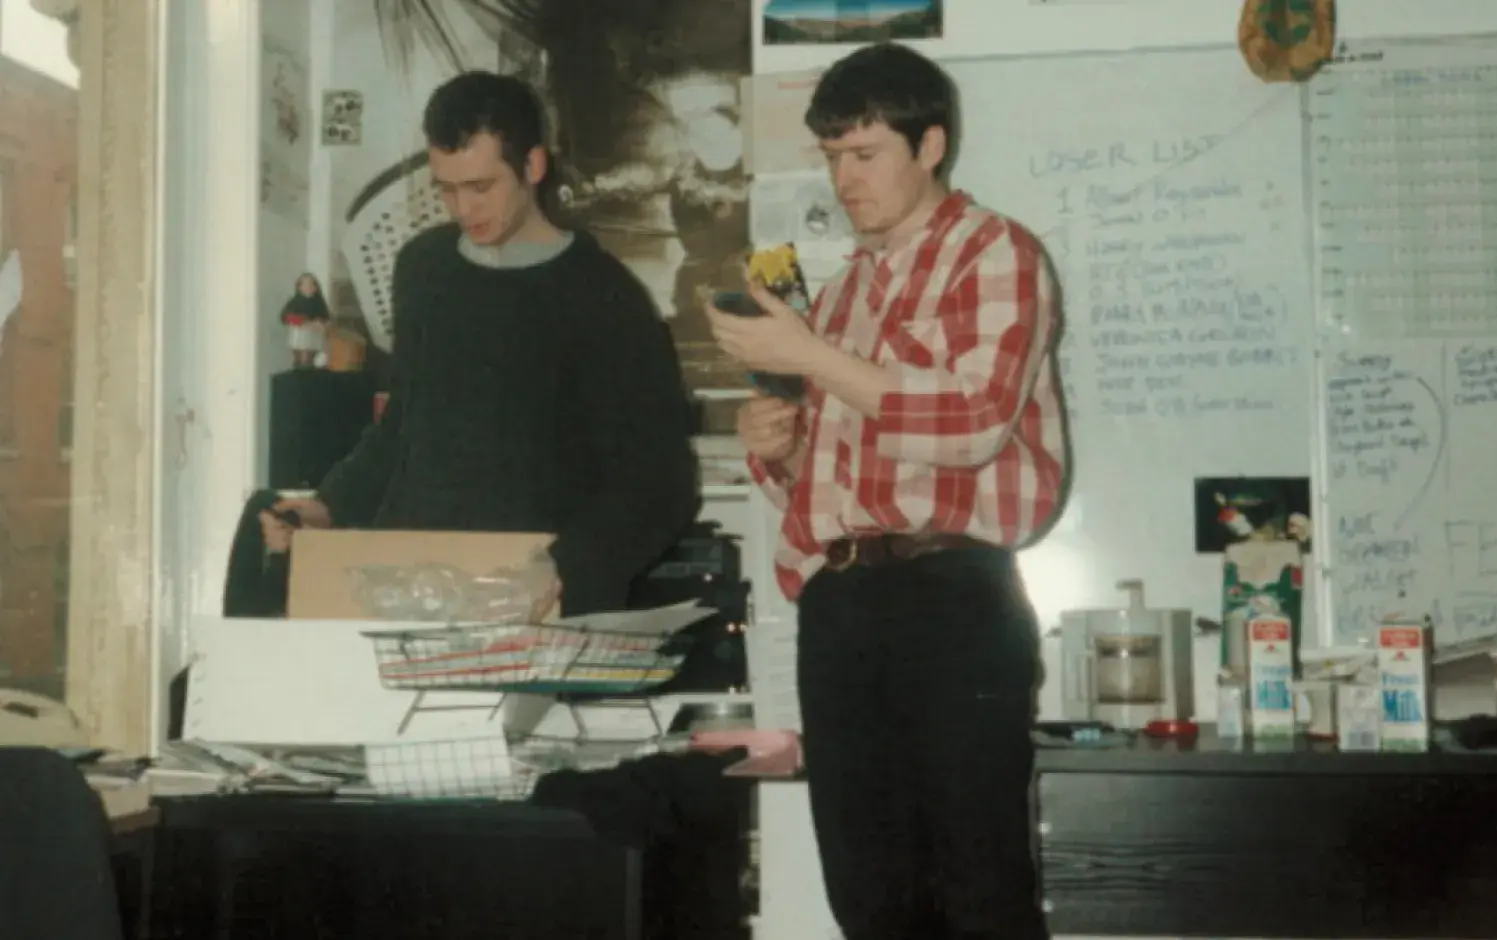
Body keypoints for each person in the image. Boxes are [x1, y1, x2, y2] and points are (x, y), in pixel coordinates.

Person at [706, 43, 1066, 939]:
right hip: (840, 607)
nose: (843, 178)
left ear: (931, 144)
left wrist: (810, 358)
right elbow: (827, 481)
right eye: (832, 156)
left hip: (951, 600)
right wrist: (774, 444)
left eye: (865, 155)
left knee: (979, 891)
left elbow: (977, 419)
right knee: (869, 900)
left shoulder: (996, 252)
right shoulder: (838, 296)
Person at [262, 71, 700, 617]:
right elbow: (404, 425)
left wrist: (567, 567)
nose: (462, 210)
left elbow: (661, 483)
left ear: (533, 167)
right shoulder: (424, 268)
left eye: (481, 187)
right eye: (446, 188)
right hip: (412, 587)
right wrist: (327, 507)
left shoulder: (606, 296)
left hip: (540, 600)